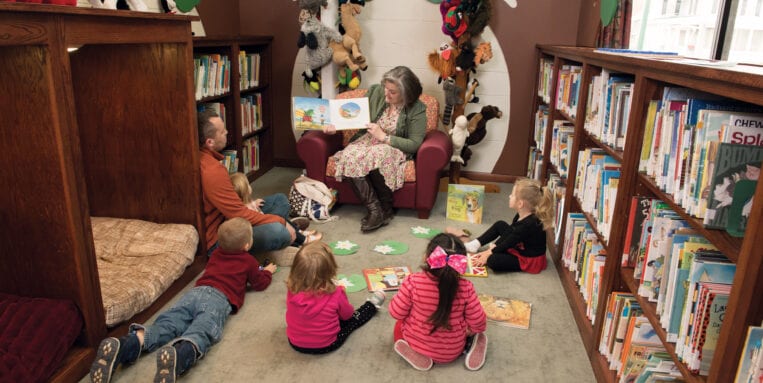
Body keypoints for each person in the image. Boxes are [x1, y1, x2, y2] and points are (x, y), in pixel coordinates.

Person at [89, 218, 276, 383]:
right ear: (246, 246)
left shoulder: (216, 254)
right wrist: (267, 272)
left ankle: (126, 345)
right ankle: (179, 355)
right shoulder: (248, 260)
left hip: (194, 293)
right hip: (218, 298)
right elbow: (259, 283)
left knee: (168, 323)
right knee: (203, 329)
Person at [323, 66, 427, 232]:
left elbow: (414, 143)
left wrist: (384, 137)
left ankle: (383, 208)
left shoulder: (417, 108)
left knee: (380, 153)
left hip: (392, 145)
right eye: (385, 88)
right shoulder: (375, 92)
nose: (386, 94)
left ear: (406, 93)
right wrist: (336, 126)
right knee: (349, 154)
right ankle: (377, 210)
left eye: (392, 92)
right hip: (367, 140)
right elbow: (355, 115)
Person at [198, 109, 310, 256]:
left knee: (279, 200)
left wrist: (249, 206)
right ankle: (290, 235)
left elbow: (231, 207)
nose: (227, 132)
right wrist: (279, 221)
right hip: (221, 237)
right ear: (210, 142)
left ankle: (291, 231)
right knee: (278, 231)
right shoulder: (212, 171)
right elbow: (238, 214)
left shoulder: (204, 158)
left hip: (228, 218)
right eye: (222, 131)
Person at [388, 233, 488, 371]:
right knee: (475, 330)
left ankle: (417, 353)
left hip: (416, 343)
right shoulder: (466, 288)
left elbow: (396, 313)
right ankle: (472, 344)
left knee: (399, 324)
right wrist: (472, 331)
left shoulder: (413, 282)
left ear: (426, 257)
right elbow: (479, 322)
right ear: (461, 262)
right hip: (454, 350)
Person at [285, 241, 386, 354]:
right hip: (327, 344)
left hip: (295, 343)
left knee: (321, 316)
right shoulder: (336, 293)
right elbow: (347, 315)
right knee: (354, 319)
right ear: (330, 270)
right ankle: (371, 306)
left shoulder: (292, 289)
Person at [452, 177, 554, 274]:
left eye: (512, 195)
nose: (509, 196)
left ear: (520, 204)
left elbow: (508, 243)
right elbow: (511, 233)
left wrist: (488, 253)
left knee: (493, 260)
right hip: (520, 243)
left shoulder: (527, 224)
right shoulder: (522, 214)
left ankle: (493, 253)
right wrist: (493, 248)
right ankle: (474, 244)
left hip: (528, 258)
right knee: (500, 224)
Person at [230, 172, 321, 241]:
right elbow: (259, 220)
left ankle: (295, 228)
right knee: (278, 220)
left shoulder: (247, 201)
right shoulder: (246, 209)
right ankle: (302, 239)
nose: (250, 186)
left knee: (280, 198)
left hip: (263, 217)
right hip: (262, 224)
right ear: (245, 191)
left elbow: (253, 206)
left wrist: (255, 203)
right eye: (248, 185)